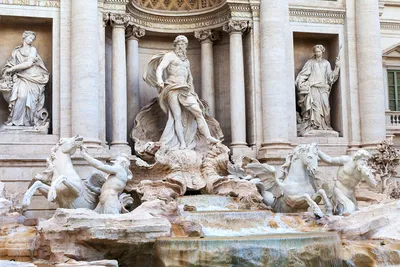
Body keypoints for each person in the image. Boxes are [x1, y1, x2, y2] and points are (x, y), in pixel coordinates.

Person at [143, 35, 219, 150]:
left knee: (198, 112)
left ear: (186, 46)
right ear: (175, 45)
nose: (180, 46)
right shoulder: (170, 56)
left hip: (185, 89)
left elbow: (190, 79)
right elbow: (160, 68)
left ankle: (208, 137)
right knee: (176, 116)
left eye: (183, 44)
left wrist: (193, 93)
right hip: (172, 88)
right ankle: (182, 143)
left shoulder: (186, 62)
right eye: (178, 44)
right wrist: (159, 79)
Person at [1, 31, 49, 127]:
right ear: (24, 37)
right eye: (30, 38)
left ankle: (28, 122)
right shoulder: (17, 51)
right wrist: (8, 69)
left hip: (33, 78)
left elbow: (29, 63)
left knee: (30, 100)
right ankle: (15, 121)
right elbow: (11, 63)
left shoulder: (33, 49)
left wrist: (13, 68)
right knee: (21, 96)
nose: (31, 40)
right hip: (21, 77)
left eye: (33, 39)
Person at [296, 44, 340, 134]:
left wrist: (337, 67)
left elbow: (330, 77)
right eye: (316, 52)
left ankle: (326, 126)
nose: (317, 53)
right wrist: (301, 83)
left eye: (319, 51)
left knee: (326, 107)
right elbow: (303, 74)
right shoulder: (310, 62)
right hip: (313, 87)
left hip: (323, 88)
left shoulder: (326, 63)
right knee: (315, 107)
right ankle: (315, 126)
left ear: (322, 51)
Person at [318, 149, 376, 215]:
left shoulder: (364, 170)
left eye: (366, 160)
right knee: (349, 210)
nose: (365, 162)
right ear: (357, 158)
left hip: (351, 194)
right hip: (339, 190)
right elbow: (330, 160)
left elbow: (373, 185)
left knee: (356, 212)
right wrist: (318, 152)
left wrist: (367, 175)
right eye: (363, 159)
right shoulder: (346, 160)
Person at [80, 147, 132, 214]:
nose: (114, 163)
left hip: (110, 202)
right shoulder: (115, 176)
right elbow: (102, 190)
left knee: (112, 222)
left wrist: (85, 155)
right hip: (103, 202)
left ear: (123, 163)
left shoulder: (120, 170)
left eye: (116, 161)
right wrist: (90, 187)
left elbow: (100, 166)